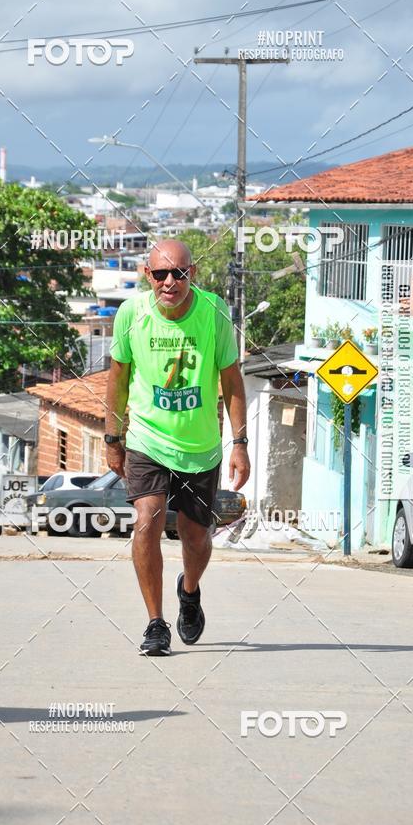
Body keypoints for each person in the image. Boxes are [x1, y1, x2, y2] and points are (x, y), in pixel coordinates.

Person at [105, 239, 250, 656]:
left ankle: (189, 590)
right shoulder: (131, 314)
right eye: (160, 274)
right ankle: (155, 623)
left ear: (192, 274)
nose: (170, 282)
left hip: (200, 446)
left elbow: (231, 381)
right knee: (147, 519)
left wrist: (239, 443)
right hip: (147, 439)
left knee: (195, 536)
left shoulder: (213, 311)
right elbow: (118, 378)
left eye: (179, 273)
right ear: (147, 275)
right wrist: (113, 437)